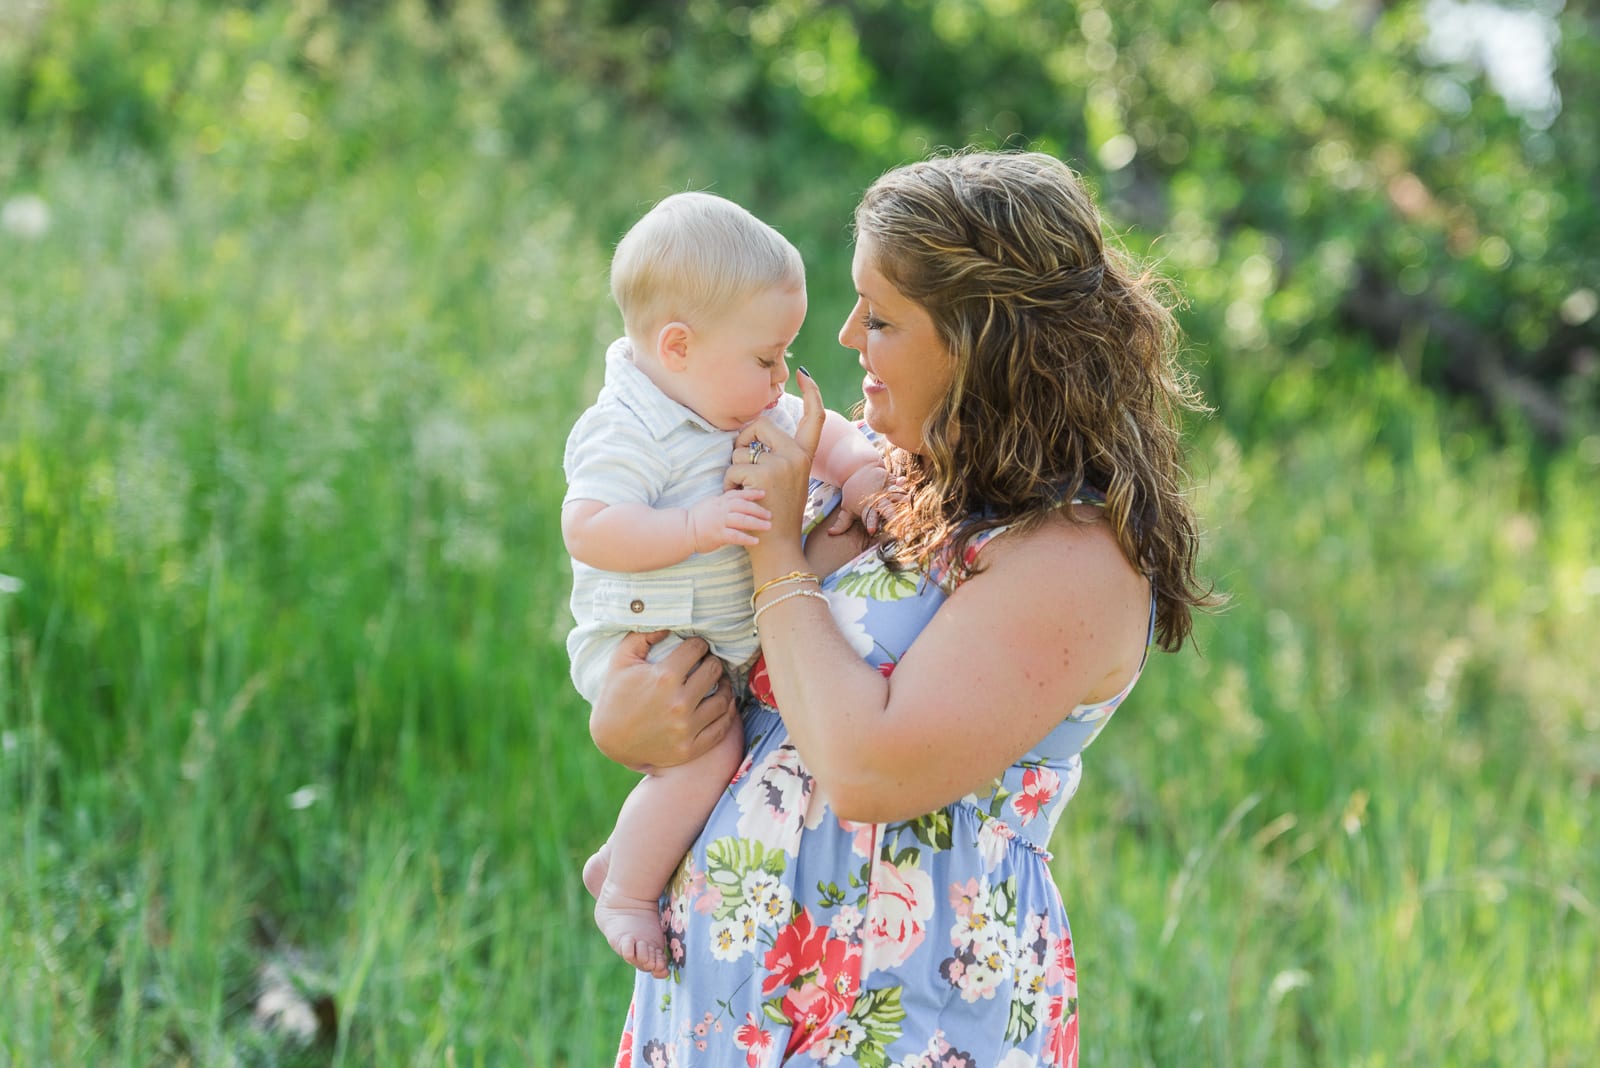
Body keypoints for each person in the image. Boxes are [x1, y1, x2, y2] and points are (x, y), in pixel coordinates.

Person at [587, 150, 1214, 1066]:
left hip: (906, 1008)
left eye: (880, 318)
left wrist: (772, 548)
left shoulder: (1073, 558)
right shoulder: (894, 484)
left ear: (983, 342)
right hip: (733, 1000)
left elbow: (869, 771)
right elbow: (752, 696)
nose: (845, 338)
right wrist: (628, 719)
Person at [564, 191, 885, 979]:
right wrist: (696, 527)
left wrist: (860, 470)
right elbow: (591, 524)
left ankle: (627, 852)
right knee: (707, 756)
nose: (781, 376)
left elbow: (828, 435)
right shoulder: (628, 426)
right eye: (766, 357)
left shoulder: (731, 393)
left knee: (727, 747)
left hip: (719, 630)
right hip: (651, 644)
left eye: (784, 355)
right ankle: (627, 891)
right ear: (677, 346)